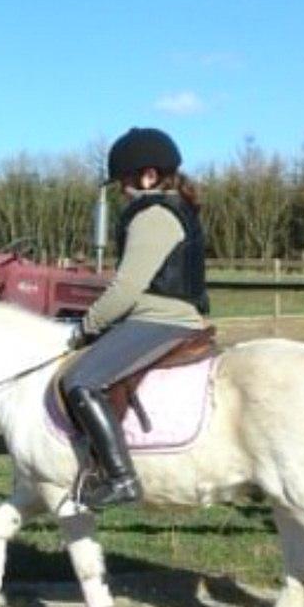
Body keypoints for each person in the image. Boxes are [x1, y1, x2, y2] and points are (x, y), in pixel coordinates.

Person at [60, 127, 210, 510]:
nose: (122, 192)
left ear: (148, 176)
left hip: (160, 320)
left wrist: (85, 326)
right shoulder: (174, 208)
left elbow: (126, 288)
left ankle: (121, 479)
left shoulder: (153, 215)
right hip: (169, 317)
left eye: (124, 183)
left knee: (79, 380)